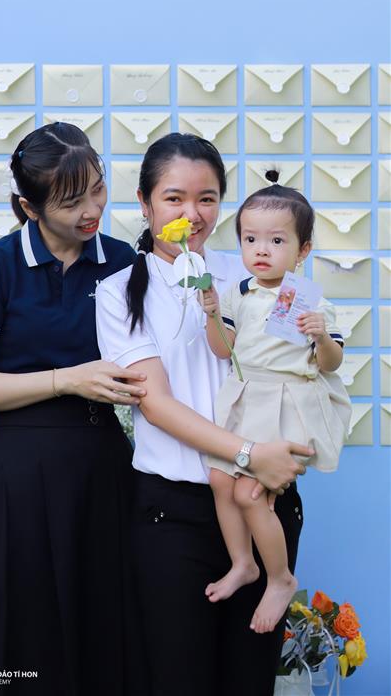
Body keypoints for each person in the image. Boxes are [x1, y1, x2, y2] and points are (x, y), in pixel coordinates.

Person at [0, 122, 148, 696]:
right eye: (71, 202)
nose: (91, 210)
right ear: (29, 207)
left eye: (97, 190)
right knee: (3, 635)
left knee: (100, 630)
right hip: (14, 476)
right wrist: (67, 380)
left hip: (102, 470)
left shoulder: (123, 261)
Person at [95, 134, 314, 696]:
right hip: (173, 515)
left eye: (208, 198)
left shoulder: (255, 272)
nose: (192, 214)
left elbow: (300, 368)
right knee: (177, 677)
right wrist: (249, 452)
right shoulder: (119, 292)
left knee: (249, 679)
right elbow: (156, 403)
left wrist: (292, 444)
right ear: (145, 204)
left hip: (262, 499)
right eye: (174, 198)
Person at [200, 170, 352, 635]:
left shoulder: (309, 302)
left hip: (288, 403)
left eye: (276, 240)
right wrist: (211, 314)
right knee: (220, 479)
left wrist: (320, 336)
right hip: (249, 400)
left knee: (249, 494)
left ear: (303, 251)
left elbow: (330, 363)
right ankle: (243, 563)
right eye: (250, 239)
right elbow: (223, 350)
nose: (261, 250)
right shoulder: (237, 293)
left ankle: (280, 577)